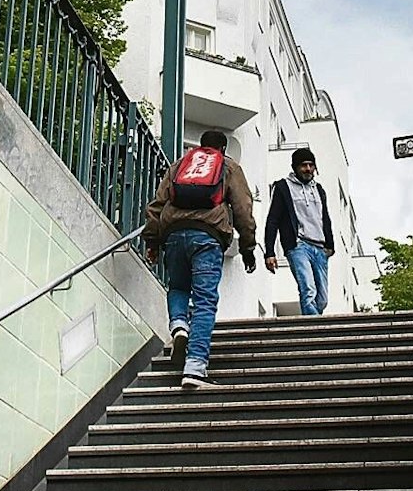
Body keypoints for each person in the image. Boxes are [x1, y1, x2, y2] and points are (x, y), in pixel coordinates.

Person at [144, 128, 257, 388]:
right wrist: (248, 246)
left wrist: (152, 241)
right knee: (205, 301)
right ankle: (194, 368)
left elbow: (157, 205)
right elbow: (242, 208)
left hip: (173, 234)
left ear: (200, 147)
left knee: (178, 286)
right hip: (207, 237)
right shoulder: (229, 167)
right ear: (223, 150)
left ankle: (179, 326)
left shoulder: (179, 166)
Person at [263, 146, 335, 316]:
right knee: (308, 290)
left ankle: (314, 324)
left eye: (311, 165)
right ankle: (314, 333)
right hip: (298, 246)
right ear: (295, 167)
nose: (308, 169)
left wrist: (330, 245)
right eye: (303, 165)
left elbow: (325, 218)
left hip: (320, 248)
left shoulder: (319, 189)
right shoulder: (283, 187)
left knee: (322, 299)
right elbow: (272, 220)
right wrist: (269, 252)